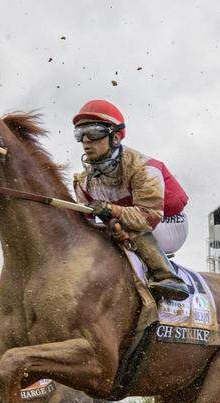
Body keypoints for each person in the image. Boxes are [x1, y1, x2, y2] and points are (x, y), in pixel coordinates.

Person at [70, 100, 190, 301]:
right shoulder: (82, 181)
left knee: (131, 226)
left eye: (93, 132)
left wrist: (111, 211)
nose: (86, 141)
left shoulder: (144, 168)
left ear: (115, 138)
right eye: (80, 134)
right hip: (131, 221)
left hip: (167, 223)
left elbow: (148, 217)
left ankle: (168, 277)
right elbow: (86, 225)